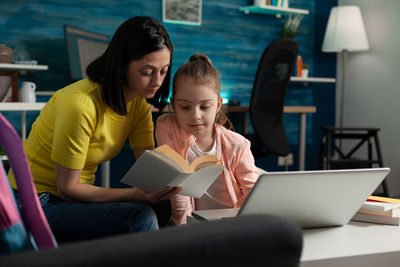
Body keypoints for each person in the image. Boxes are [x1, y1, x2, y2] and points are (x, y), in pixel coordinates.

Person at [8, 16, 181, 241]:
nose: (157, 81)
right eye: (147, 72)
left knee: (164, 207)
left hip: (70, 199)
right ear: (121, 66)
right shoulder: (80, 105)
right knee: (140, 217)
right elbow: (67, 188)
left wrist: (179, 178)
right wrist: (134, 194)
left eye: (164, 71)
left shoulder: (138, 103)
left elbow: (148, 165)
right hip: (34, 201)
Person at [155, 54, 260, 225]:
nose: (195, 116)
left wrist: (239, 226)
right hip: (190, 224)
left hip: (231, 223)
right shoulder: (168, 127)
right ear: (173, 105)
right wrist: (183, 230)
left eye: (204, 107)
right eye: (185, 107)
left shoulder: (237, 144)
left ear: (218, 105)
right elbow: (177, 189)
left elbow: (252, 192)